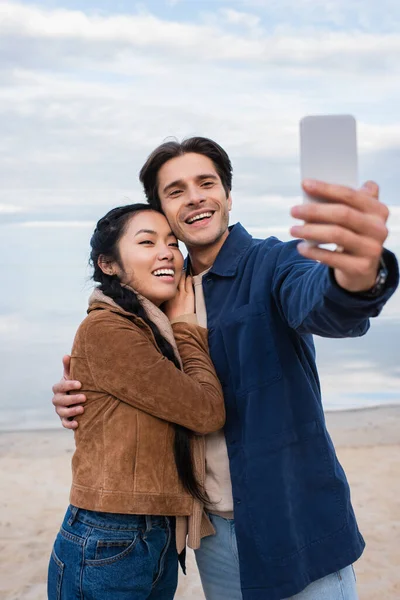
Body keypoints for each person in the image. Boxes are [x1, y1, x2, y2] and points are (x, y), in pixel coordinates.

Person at [52, 138, 399, 600]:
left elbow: (321, 302)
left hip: (295, 526)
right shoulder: (158, 305)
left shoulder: (275, 263)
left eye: (206, 183)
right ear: (162, 211)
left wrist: (357, 276)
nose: (194, 196)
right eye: (175, 191)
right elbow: (146, 389)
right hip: (212, 536)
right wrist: (84, 397)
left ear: (228, 196)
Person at [47, 203, 225, 600]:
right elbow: (206, 411)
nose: (167, 252)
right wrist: (185, 328)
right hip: (109, 536)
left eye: (172, 243)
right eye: (147, 242)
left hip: (148, 535)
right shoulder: (108, 327)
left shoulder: (146, 329)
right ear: (108, 264)